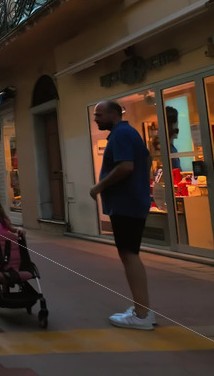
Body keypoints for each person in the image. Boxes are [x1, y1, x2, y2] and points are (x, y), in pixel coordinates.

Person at [90, 101, 155, 330]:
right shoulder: (128, 133)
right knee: (131, 254)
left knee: (129, 255)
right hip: (131, 201)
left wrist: (100, 186)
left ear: (114, 114)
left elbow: (126, 166)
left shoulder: (121, 134)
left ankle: (141, 315)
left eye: (99, 114)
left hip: (126, 204)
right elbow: (146, 159)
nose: (96, 119)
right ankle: (143, 308)